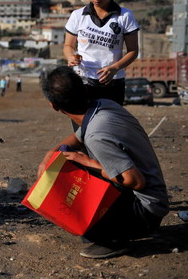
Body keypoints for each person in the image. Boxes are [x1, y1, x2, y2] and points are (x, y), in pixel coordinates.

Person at [38, 66, 168, 259]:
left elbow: (136, 181)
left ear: (54, 106)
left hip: (146, 210)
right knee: (70, 160)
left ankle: (115, 238)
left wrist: (90, 163)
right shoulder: (103, 106)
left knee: (73, 203)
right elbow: (77, 139)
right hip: (153, 199)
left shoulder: (96, 135)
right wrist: (51, 153)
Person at [64, 0, 139, 106]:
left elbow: (133, 51)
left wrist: (115, 68)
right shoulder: (77, 15)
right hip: (83, 81)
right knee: (83, 126)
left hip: (113, 83)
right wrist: (70, 57)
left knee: (110, 125)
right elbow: (68, 45)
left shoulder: (125, 16)